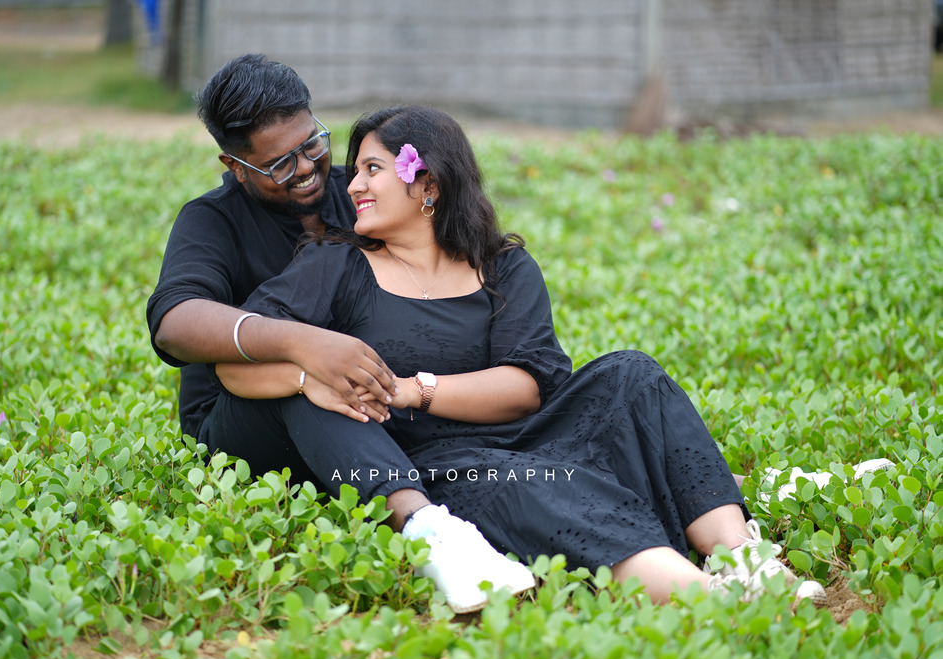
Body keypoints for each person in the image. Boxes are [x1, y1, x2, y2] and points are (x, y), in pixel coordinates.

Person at [215, 104, 833, 607]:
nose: (352, 187)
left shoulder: (503, 267)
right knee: (542, 488)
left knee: (631, 373)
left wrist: (413, 387)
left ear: (426, 183)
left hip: (530, 431)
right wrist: (306, 376)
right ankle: (709, 598)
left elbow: (530, 385)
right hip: (438, 463)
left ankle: (744, 561)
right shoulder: (336, 265)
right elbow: (236, 361)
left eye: (371, 169)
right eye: (355, 172)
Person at [146, 54, 535, 614]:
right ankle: (433, 535)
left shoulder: (355, 190)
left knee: (341, 381)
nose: (306, 168)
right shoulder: (212, 220)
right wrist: (301, 346)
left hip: (365, 406)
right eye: (278, 164)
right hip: (244, 418)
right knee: (313, 383)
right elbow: (174, 322)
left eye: (313, 144)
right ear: (234, 166)